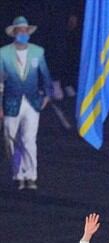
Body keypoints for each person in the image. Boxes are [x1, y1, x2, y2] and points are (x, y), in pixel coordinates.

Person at [1, 16, 52, 190]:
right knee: (10, 139)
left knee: (29, 139)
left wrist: (47, 95)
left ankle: (31, 175)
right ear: (14, 33)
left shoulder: (37, 52)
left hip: (31, 102)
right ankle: (17, 173)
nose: (23, 33)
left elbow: (45, 75)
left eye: (25, 31)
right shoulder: (4, 53)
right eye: (19, 31)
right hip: (11, 101)